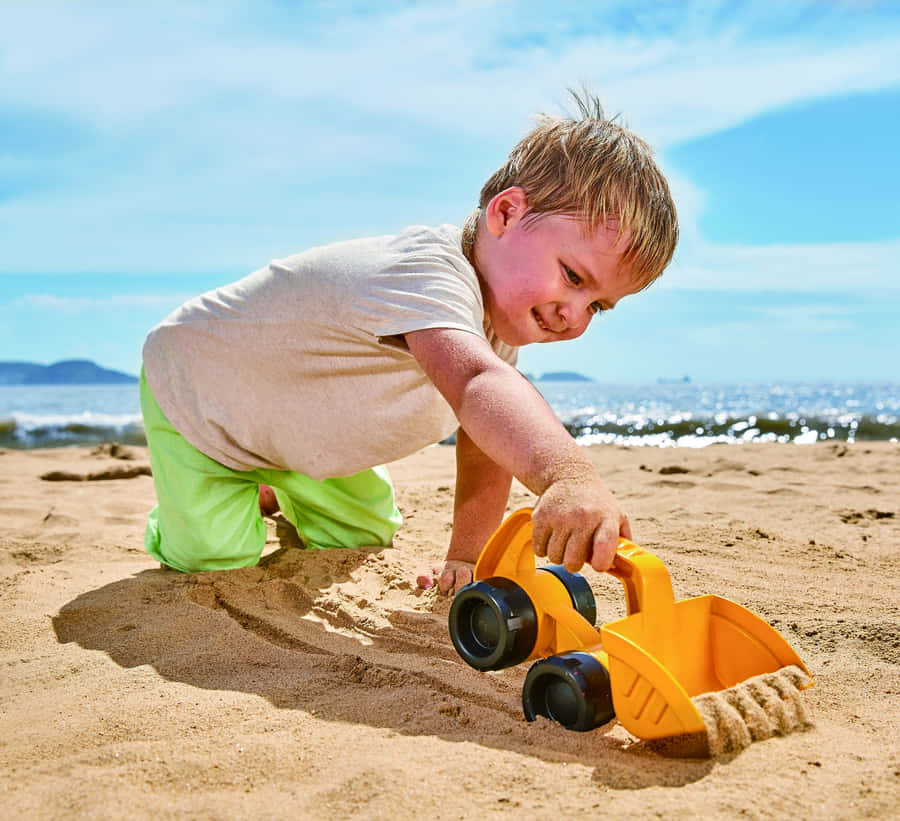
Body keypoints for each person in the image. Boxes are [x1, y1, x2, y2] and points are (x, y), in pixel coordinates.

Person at [139, 91, 678, 595]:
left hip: (300, 431)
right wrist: (568, 475)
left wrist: (467, 557)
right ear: (507, 213)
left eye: (598, 307)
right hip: (202, 396)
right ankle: (194, 507)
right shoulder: (426, 273)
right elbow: (477, 385)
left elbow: (486, 438)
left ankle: (275, 486)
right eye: (574, 277)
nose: (573, 316)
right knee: (216, 557)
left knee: (362, 536)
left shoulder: (490, 325)